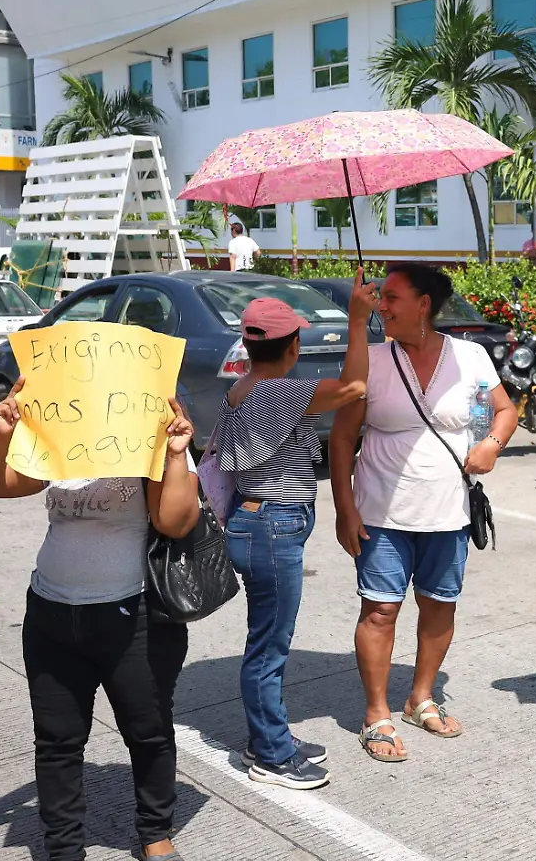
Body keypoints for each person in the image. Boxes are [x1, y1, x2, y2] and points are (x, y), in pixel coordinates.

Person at [0, 377, 199, 861]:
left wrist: (174, 455)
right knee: (57, 740)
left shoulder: (147, 431)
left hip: (132, 613)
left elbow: (175, 519)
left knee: (147, 730)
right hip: (50, 610)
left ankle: (155, 831)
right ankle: (65, 854)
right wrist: (3, 435)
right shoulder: (55, 432)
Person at [331, 264, 518, 763]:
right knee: (380, 610)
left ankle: (420, 698)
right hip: (380, 512)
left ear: (424, 305)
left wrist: (492, 445)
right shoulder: (369, 358)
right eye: (379, 296)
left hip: (449, 511)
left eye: (391, 297)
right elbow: (343, 437)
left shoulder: (470, 356)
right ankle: (377, 714)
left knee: (439, 605)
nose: (381, 304)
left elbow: (503, 410)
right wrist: (343, 507)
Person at [217, 276, 376, 790]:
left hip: (255, 519)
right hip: (272, 526)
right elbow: (354, 387)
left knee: (266, 639)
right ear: (293, 346)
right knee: (269, 647)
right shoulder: (280, 391)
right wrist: (356, 321)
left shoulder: (240, 387)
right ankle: (271, 756)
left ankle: (270, 736)